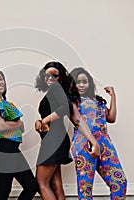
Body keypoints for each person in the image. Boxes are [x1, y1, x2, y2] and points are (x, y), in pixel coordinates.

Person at [34, 62, 100, 200]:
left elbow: (65, 108)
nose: (50, 78)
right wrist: (41, 122)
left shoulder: (56, 89)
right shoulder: (56, 91)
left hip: (53, 140)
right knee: (55, 183)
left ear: (61, 78)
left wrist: (45, 120)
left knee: (41, 182)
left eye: (54, 76)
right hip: (56, 139)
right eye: (46, 75)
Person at [0, 67, 38, 200]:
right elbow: (0, 126)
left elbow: (16, 129)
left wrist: (15, 126)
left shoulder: (2, 101)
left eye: (1, 79)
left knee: (4, 189)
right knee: (29, 186)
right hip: (5, 147)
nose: (0, 82)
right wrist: (19, 124)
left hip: (8, 147)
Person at [69, 67, 127, 199]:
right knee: (85, 189)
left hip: (105, 144)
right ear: (73, 84)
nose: (82, 85)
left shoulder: (98, 101)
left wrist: (113, 96)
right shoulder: (73, 101)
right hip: (84, 144)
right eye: (78, 82)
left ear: (90, 83)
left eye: (85, 81)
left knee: (120, 182)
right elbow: (77, 121)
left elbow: (111, 118)